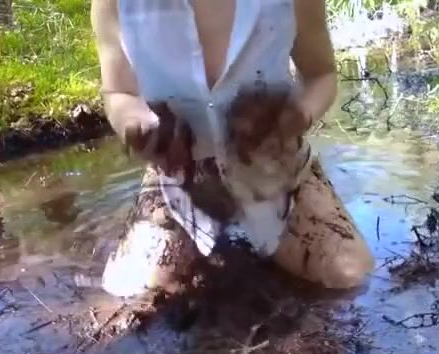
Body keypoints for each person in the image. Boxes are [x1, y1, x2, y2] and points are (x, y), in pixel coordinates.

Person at [91, 0, 374, 298]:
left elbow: (322, 75)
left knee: (348, 275)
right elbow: (118, 92)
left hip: (279, 173)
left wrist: (295, 119)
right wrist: (138, 125)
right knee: (131, 294)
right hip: (177, 181)